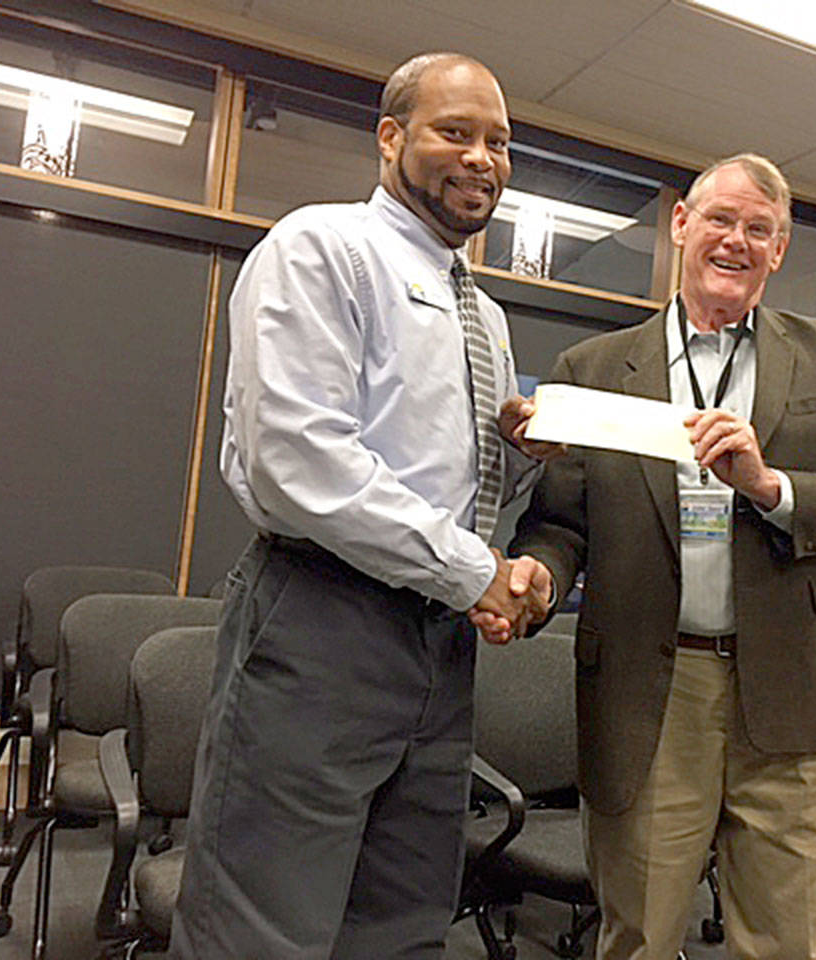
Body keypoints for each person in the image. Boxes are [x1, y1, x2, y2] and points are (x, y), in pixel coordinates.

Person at [171, 53, 556, 959]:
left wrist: (522, 465)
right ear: (390, 138)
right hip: (320, 620)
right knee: (261, 928)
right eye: (454, 132)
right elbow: (295, 462)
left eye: (499, 142)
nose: (483, 159)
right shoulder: (322, 247)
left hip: (438, 644)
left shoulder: (487, 319)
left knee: (401, 923)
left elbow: (449, 487)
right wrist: (477, 573)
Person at [501, 154, 816, 960]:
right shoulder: (597, 369)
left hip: (796, 690)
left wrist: (767, 484)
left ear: (779, 251)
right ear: (681, 224)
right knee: (641, 933)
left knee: (805, 941)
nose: (737, 241)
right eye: (720, 219)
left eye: (760, 229)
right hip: (652, 691)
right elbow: (562, 525)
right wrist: (538, 577)